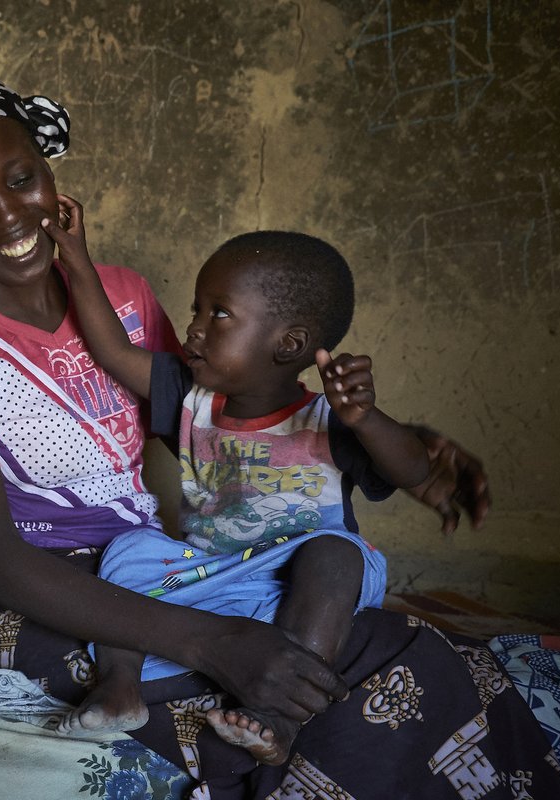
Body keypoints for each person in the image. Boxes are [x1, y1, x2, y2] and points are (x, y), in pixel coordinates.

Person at [0, 67, 560, 798]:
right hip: (27, 585)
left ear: (50, 176)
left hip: (150, 559)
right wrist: (213, 640)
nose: (9, 215)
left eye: (21, 180)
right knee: (277, 684)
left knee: (394, 652)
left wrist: (389, 446)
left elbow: (215, 425)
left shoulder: (122, 294)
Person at [48, 214, 428, 766]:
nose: (194, 329)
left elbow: (412, 471)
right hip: (208, 575)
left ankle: (281, 716)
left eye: (219, 313)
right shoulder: (189, 395)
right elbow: (111, 350)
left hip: (301, 592)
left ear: (288, 343)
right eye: (197, 309)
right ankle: (120, 686)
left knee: (336, 552)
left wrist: (366, 419)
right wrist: (76, 259)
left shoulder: (328, 419)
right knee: (129, 549)